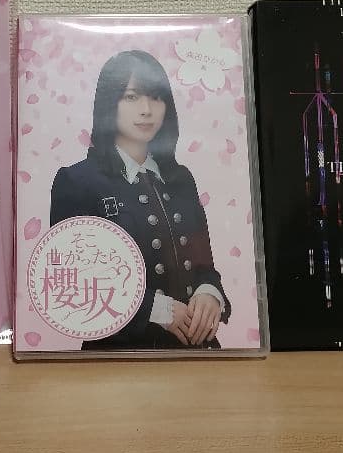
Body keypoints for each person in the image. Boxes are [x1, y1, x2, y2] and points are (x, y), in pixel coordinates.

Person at [49, 50, 231, 350]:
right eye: (131, 97)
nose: (146, 110)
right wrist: (156, 310)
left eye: (156, 97)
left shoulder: (181, 179)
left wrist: (209, 293)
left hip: (196, 352)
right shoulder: (77, 181)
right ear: (109, 102)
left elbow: (204, 266)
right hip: (119, 358)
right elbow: (74, 284)